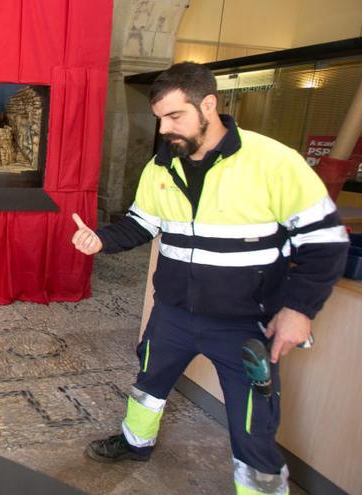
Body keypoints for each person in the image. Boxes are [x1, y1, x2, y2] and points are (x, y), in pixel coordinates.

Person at [72, 62, 348, 495]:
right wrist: (100, 240)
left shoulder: (274, 163)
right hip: (173, 315)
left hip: (245, 323)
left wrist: (299, 310)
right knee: (148, 384)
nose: (164, 129)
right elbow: (142, 224)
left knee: (252, 422)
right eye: (159, 118)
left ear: (209, 104)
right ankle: (135, 442)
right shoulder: (161, 167)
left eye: (175, 116)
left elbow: (327, 244)